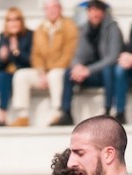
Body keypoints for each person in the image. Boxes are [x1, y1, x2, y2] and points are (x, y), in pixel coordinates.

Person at [50, 0, 123, 126]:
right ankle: (66, 113)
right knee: (69, 72)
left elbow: (112, 57)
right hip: (91, 74)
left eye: (98, 10)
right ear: (88, 12)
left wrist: (88, 70)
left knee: (108, 70)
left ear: (103, 12)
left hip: (106, 74)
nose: (95, 14)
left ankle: (107, 110)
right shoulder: (84, 29)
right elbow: (79, 54)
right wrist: (77, 66)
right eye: (92, 10)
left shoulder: (113, 28)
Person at [9, 0, 79, 128]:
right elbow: (36, 55)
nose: (51, 10)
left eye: (54, 7)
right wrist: (41, 72)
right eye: (48, 8)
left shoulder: (69, 26)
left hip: (60, 69)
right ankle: (22, 115)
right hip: (43, 72)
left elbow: (69, 53)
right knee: (21, 75)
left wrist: (49, 71)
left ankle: (57, 113)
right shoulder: (41, 28)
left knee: (55, 75)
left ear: (60, 9)